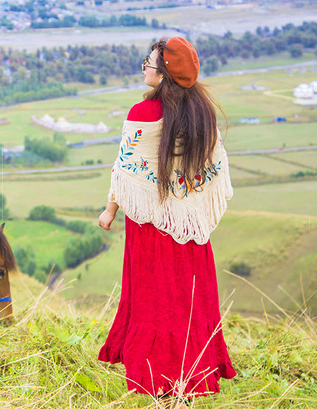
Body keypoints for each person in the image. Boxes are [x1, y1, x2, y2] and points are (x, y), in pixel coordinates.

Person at [97, 36, 236, 407]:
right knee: (188, 304)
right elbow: (212, 169)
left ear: (166, 71)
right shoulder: (203, 113)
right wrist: (190, 207)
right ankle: (186, 384)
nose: (145, 65)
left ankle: (157, 385)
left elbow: (125, 171)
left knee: (153, 303)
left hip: (150, 229)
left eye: (150, 60)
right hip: (191, 230)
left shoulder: (142, 114)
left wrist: (110, 210)